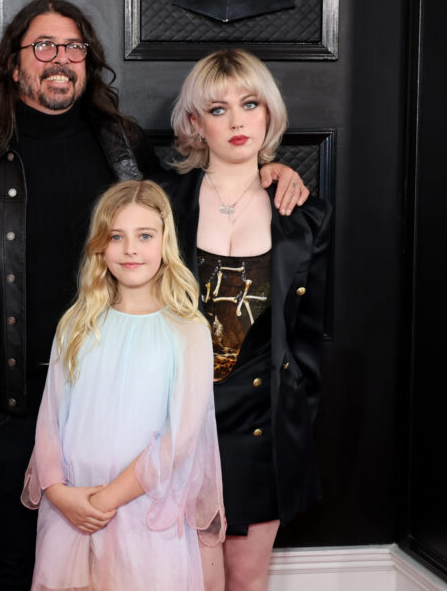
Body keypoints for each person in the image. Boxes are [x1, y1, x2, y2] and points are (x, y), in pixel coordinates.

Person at [0, 0, 309, 588]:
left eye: (73, 47)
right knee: (13, 563)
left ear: (87, 61)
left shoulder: (124, 146)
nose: (60, 59)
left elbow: (190, 198)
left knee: (116, 562)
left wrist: (270, 167)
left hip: (111, 395)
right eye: (43, 47)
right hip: (6, 399)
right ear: (14, 65)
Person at [159, 49, 333, 591]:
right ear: (194, 123)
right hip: (174, 422)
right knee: (178, 576)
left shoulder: (305, 217)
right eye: (218, 109)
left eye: (250, 104)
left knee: (245, 580)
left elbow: (310, 334)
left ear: (268, 115)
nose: (237, 121)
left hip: (261, 423)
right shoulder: (160, 204)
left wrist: (296, 414)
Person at [21, 179, 226, 590]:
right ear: (101, 246)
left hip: (144, 511)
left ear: (165, 242)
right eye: (117, 236)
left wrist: (107, 500)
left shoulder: (187, 330)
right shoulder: (77, 324)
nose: (131, 249)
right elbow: (50, 420)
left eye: (145, 236)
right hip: (72, 510)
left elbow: (181, 439)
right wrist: (60, 494)